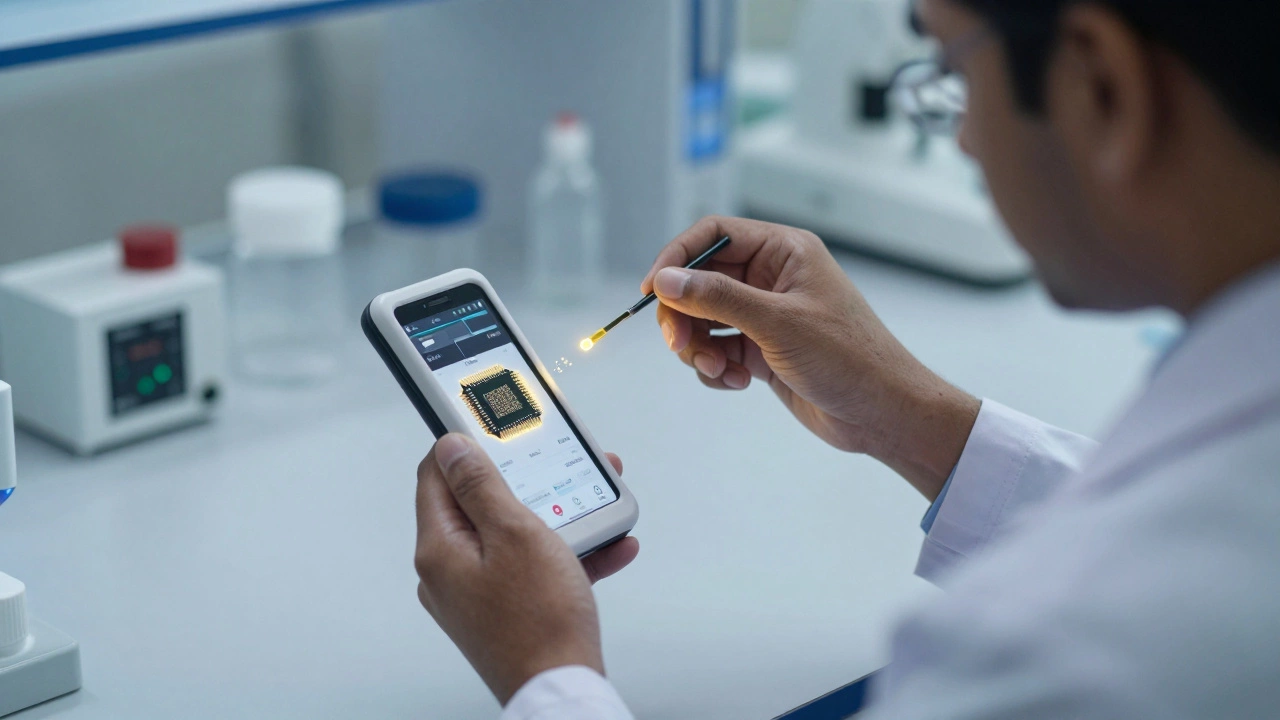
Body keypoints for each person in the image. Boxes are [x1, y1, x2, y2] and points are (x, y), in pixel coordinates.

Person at [411, 0, 1280, 716]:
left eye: (952, 72)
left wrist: (546, 671)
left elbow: (1113, 585)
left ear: (1103, 82)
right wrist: (912, 418)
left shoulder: (1049, 658)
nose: (966, 140)